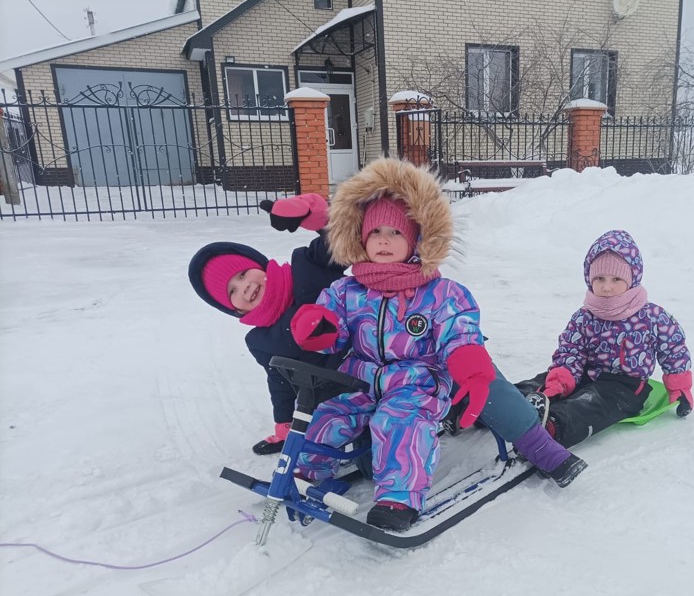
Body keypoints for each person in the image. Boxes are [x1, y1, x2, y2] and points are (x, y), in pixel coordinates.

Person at [287, 158, 585, 532]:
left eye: (395, 233)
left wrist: (472, 367)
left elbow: (459, 334)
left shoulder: (440, 293)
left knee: (399, 423)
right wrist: (318, 326)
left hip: (416, 383)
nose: (383, 239)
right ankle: (305, 472)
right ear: (359, 235)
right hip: (359, 379)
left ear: (417, 238)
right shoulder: (347, 290)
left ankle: (398, 498)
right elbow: (333, 330)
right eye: (374, 230)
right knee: (329, 414)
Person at [187, 193, 345, 455]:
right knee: (314, 452)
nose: (245, 286)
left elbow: (345, 235)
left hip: (378, 366)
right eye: (232, 292)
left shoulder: (308, 266)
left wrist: (313, 213)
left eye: (242, 274)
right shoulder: (261, 341)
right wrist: (285, 424)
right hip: (333, 401)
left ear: (259, 265)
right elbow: (280, 380)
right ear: (234, 309)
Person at [521, 229, 693, 449]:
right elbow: (571, 350)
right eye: (599, 278)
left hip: (625, 386)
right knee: (545, 381)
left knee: (591, 404)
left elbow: (674, 349)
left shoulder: (652, 316)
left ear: (632, 279)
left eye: (616, 279)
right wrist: (561, 380)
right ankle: (506, 404)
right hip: (586, 374)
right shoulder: (585, 316)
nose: (606, 286)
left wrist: (680, 387)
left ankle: (554, 424)